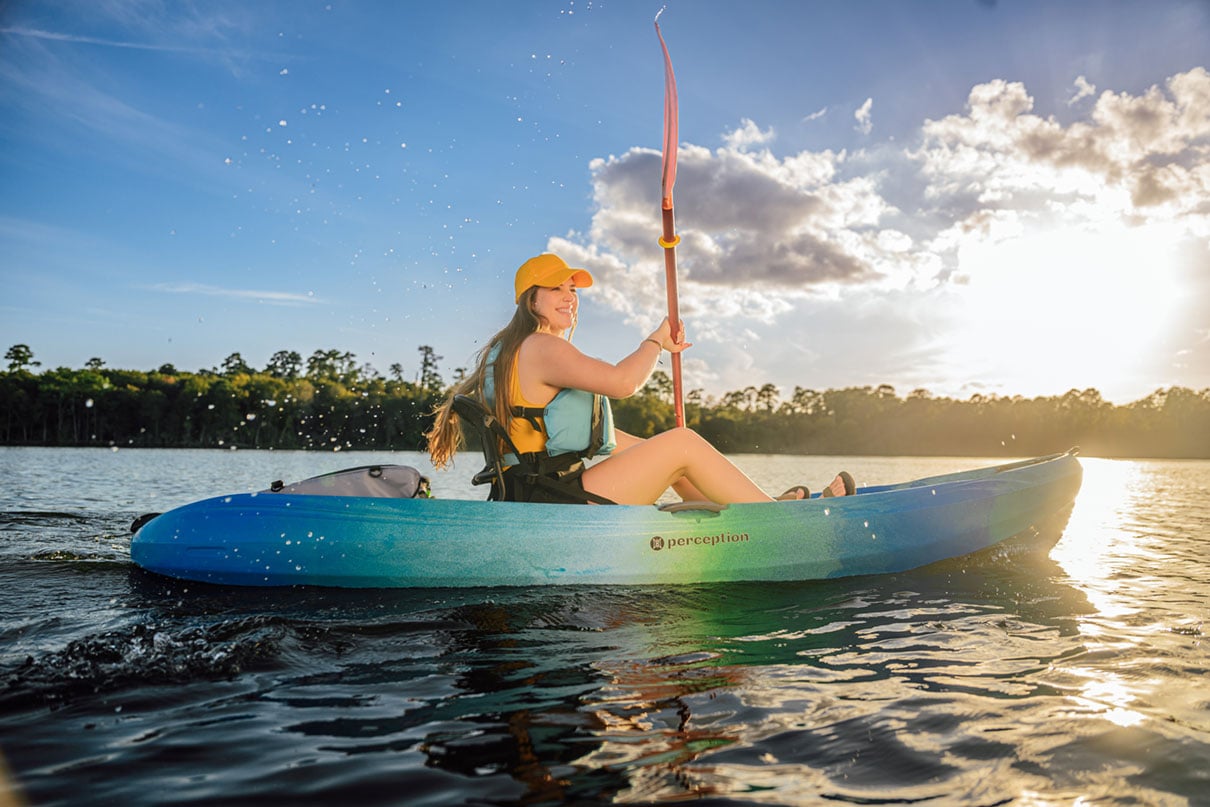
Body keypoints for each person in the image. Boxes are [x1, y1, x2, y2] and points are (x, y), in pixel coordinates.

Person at [426, 253, 855, 505]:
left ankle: (739, 517)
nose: (569, 298)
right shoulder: (541, 347)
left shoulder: (512, 350)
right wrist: (655, 342)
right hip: (553, 502)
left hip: (537, 494)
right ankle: (776, 521)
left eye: (572, 291)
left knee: (671, 448)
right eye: (556, 289)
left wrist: (658, 452)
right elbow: (622, 383)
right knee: (683, 442)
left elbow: (603, 439)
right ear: (529, 299)